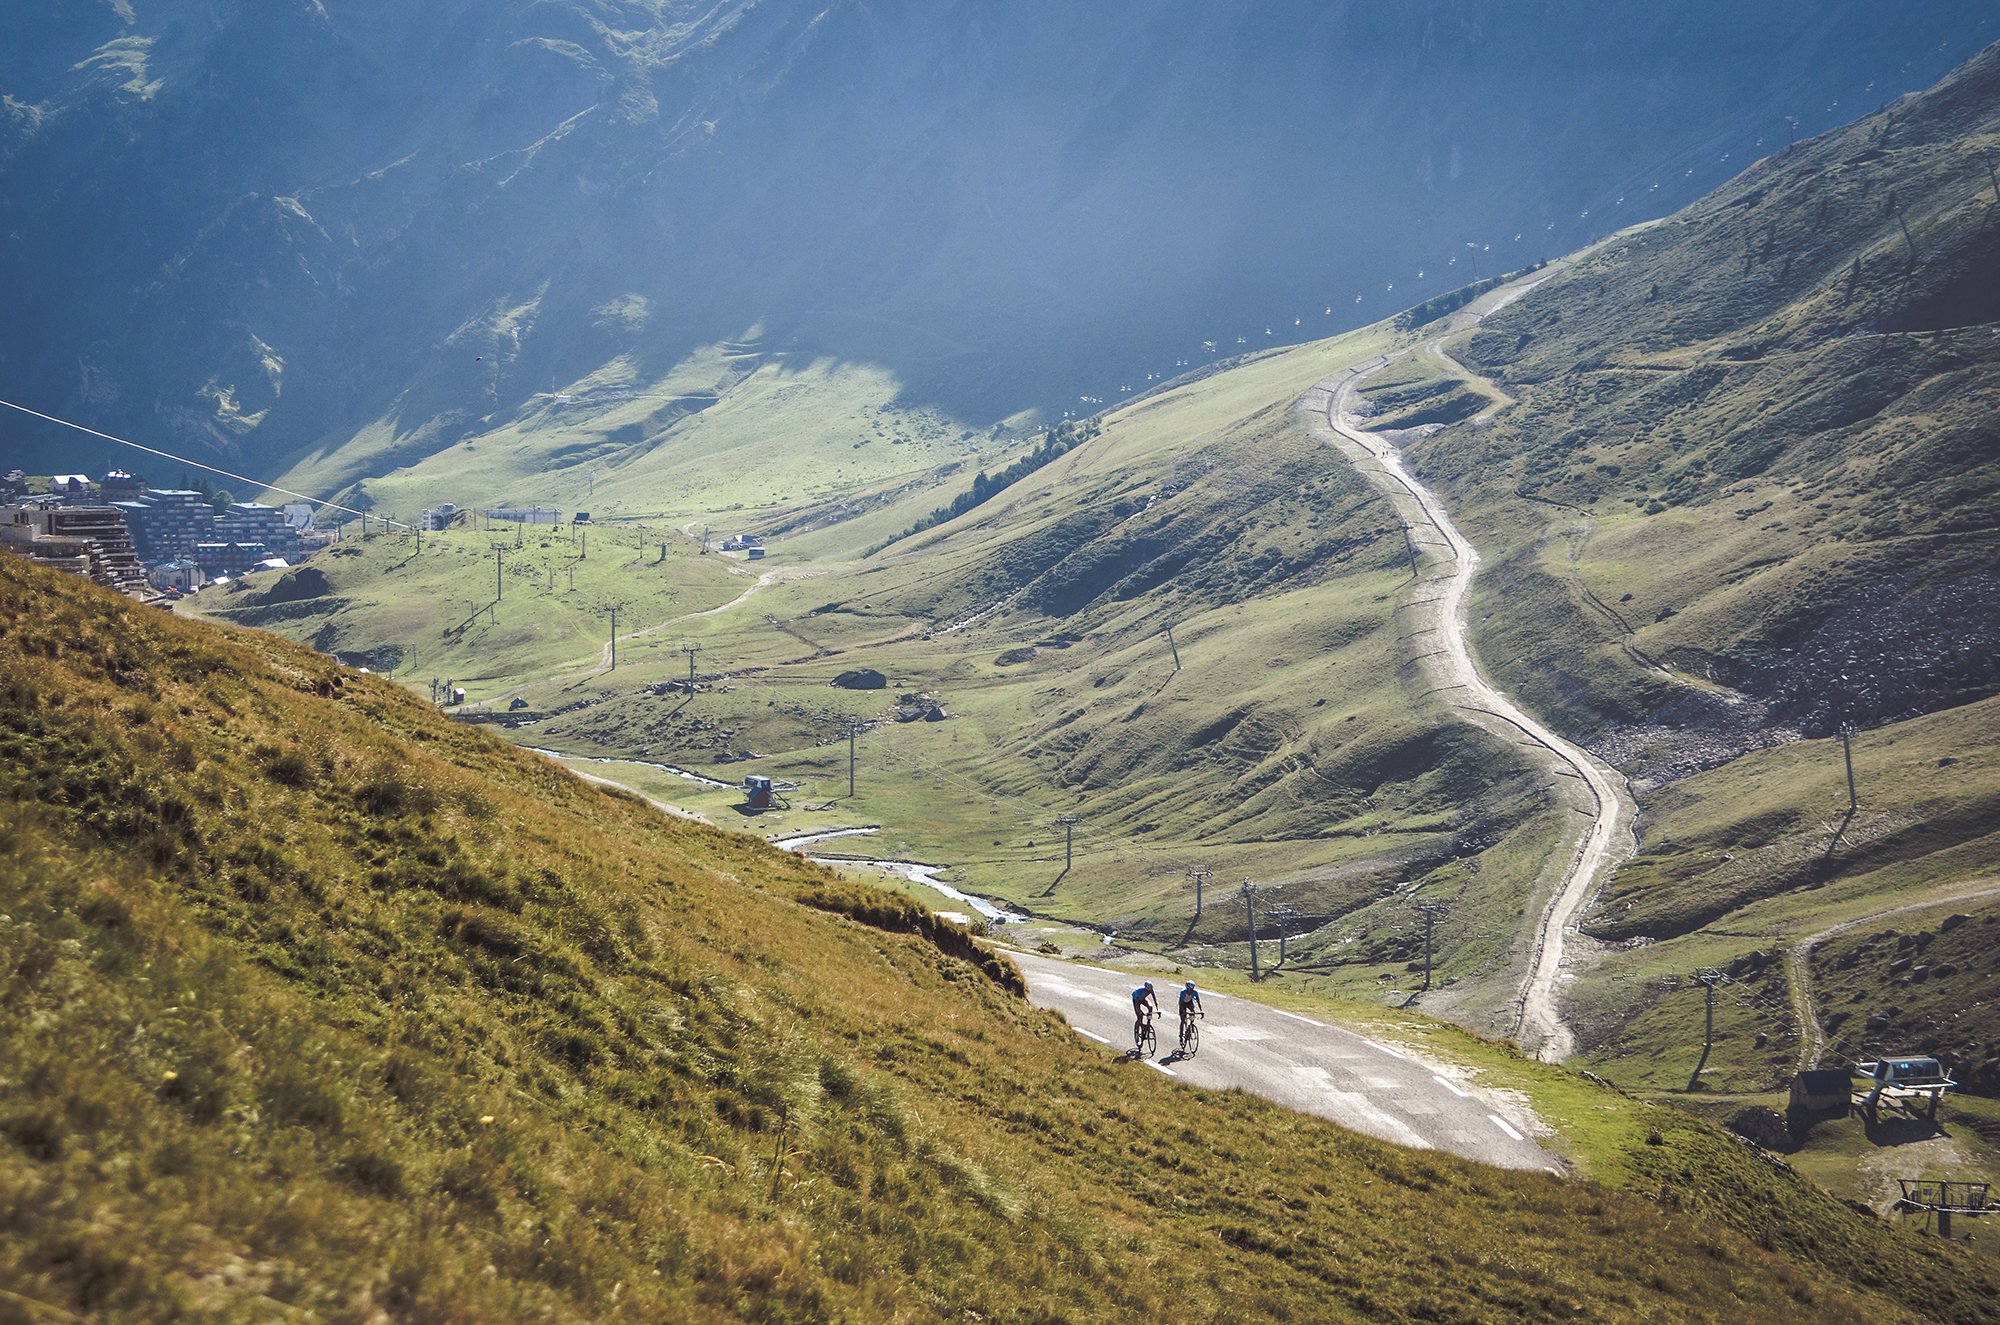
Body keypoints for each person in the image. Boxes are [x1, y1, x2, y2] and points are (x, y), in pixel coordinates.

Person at [1131, 980, 1160, 1047]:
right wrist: (1139, 1011)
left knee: (1150, 1007)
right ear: (1145, 988)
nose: (1148, 992)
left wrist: (1158, 1010)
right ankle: (1137, 1032)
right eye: (1147, 991)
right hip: (1136, 1000)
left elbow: (1155, 1000)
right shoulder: (1140, 991)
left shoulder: (1151, 990)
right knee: (1139, 1016)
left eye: (1150, 991)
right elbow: (1136, 1005)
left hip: (1143, 998)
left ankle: (1148, 1023)